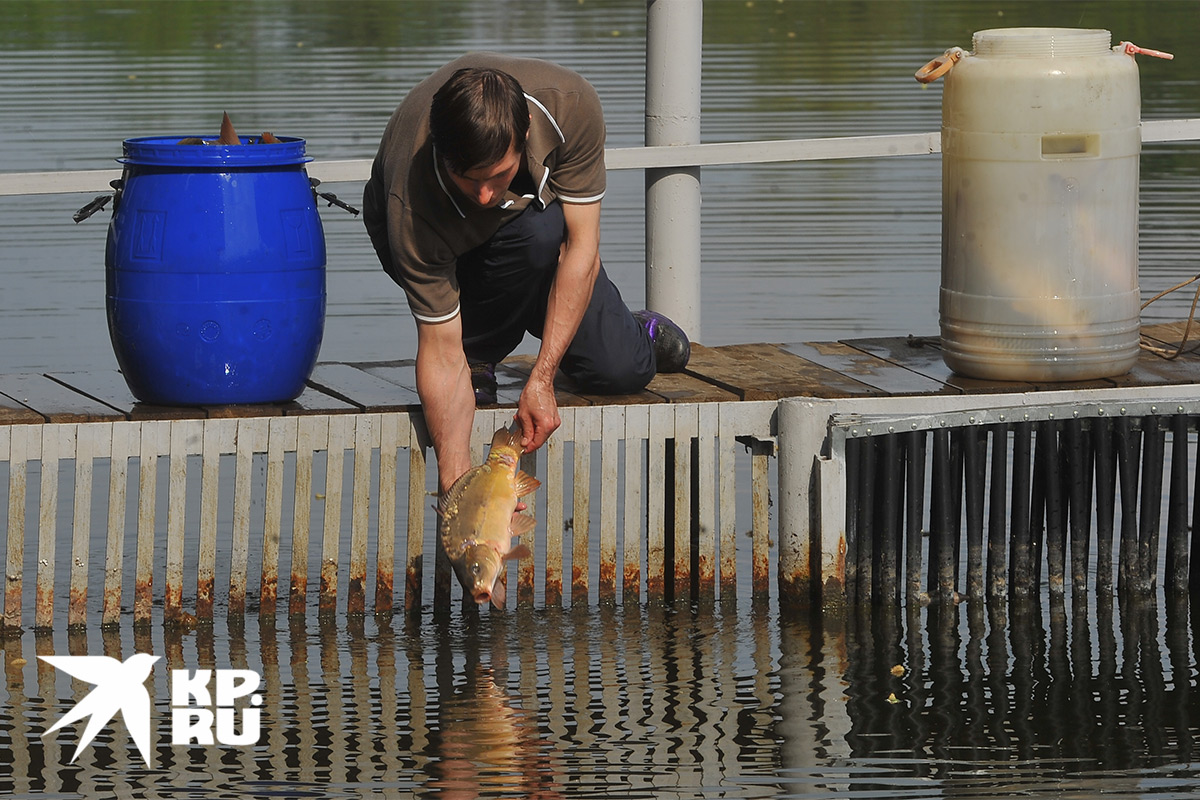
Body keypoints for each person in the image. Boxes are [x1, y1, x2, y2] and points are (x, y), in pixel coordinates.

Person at [363, 52, 691, 496]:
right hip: (441, 241)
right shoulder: (410, 204)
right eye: (466, 178)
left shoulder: (571, 105)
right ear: (441, 155)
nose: (482, 195)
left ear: (524, 137)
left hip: (537, 240)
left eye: (497, 176)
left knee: (621, 371)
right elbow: (439, 350)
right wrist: (458, 486)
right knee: (466, 355)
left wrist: (541, 379)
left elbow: (581, 247)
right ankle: (477, 353)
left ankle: (633, 328)